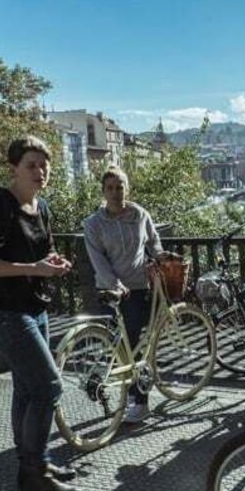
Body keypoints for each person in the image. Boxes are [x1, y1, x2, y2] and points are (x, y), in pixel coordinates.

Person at [0, 136, 79, 491]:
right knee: (49, 387)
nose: (40, 171)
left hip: (35, 307)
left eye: (44, 165)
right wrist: (35, 267)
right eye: (31, 164)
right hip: (3, 313)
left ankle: (30, 467)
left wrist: (54, 262)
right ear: (13, 168)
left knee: (27, 388)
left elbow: (42, 252)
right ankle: (36, 471)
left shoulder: (41, 207)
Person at [83, 166, 168, 424]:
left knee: (132, 343)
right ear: (103, 192)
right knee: (126, 345)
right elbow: (97, 260)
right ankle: (138, 401)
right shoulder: (94, 224)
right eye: (110, 188)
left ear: (126, 189)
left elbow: (153, 241)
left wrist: (161, 256)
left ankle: (117, 381)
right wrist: (115, 284)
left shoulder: (140, 215)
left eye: (119, 187)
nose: (115, 192)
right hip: (112, 289)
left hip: (141, 286)